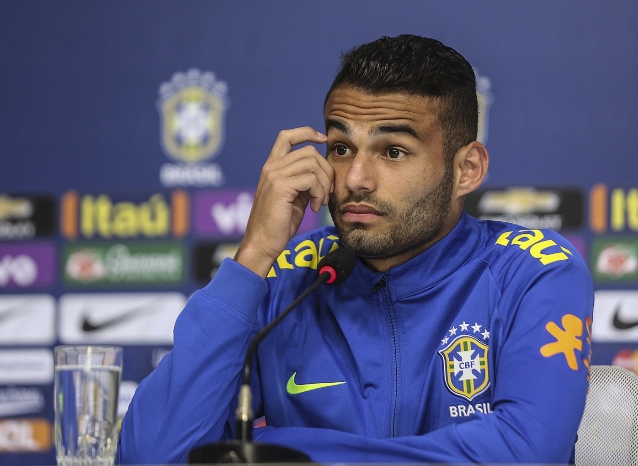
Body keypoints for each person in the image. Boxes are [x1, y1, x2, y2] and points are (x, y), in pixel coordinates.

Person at [117, 35, 594, 464]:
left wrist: (282, 450)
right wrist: (255, 254)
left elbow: (528, 452)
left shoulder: (532, 271)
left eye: (393, 152)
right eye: (342, 148)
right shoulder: (291, 276)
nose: (356, 179)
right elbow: (151, 456)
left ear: (466, 169)